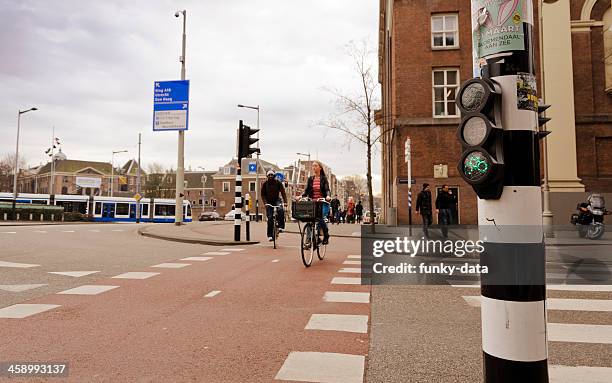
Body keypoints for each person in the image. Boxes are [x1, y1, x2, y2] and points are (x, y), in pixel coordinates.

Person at [301, 161, 331, 245]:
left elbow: (327, 189)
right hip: (312, 202)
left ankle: (326, 235)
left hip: (322, 202)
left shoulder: (323, 178)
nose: (314, 167)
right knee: (309, 219)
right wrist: (301, 196)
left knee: (319, 218)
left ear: (320, 168)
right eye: (313, 166)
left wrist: (328, 196)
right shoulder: (311, 179)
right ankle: (309, 239)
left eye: (315, 166)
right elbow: (306, 190)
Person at [261, 170, 288, 242]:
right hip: (268, 201)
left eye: (272, 175)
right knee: (270, 218)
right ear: (267, 176)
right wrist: (265, 203)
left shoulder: (278, 183)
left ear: (274, 176)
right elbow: (262, 195)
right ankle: (270, 235)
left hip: (276, 200)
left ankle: (281, 226)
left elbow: (283, 192)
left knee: (280, 210)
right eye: (269, 175)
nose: (270, 176)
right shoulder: (265, 184)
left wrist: (285, 202)